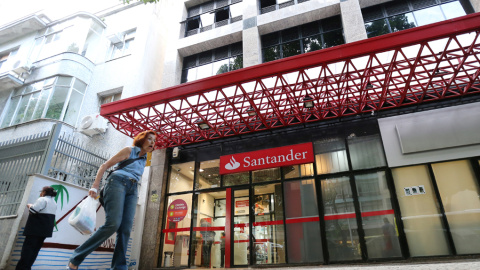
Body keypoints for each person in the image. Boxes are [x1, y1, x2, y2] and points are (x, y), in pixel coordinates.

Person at [68, 130, 156, 270]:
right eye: (150, 139)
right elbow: (104, 166)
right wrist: (95, 186)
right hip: (117, 182)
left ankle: (119, 267)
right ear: (141, 140)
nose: (152, 142)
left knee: (126, 228)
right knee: (113, 224)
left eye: (154, 140)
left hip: (133, 189)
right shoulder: (129, 150)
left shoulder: (145, 159)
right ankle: (76, 258)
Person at [16, 186, 57, 270]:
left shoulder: (42, 199)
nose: (40, 193)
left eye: (41, 191)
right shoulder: (54, 202)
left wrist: (30, 205)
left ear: (44, 192)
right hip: (44, 232)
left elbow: (33, 211)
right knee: (34, 252)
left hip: (35, 230)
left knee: (27, 252)